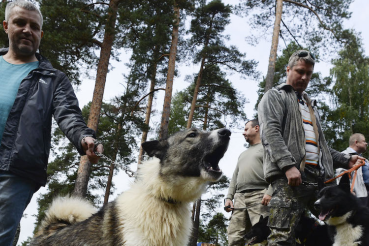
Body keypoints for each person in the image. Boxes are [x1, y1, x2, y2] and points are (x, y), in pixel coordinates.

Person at [0, 1, 103, 245]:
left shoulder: (53, 79)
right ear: (6, 26)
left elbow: (69, 114)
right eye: (20, 23)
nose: (27, 30)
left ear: (41, 34)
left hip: (14, 172)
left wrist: (84, 138)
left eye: (34, 26)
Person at [257, 50, 364, 245]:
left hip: (321, 179)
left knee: (346, 223)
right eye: (300, 71)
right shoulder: (274, 97)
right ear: (288, 69)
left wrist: (345, 159)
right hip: (289, 179)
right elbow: (270, 134)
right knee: (282, 237)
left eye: (309, 74)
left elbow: (320, 145)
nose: (304, 77)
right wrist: (288, 166)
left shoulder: (310, 105)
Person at [225, 119, 273, 246]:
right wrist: (229, 197)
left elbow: (277, 173)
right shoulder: (242, 154)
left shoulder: (267, 149)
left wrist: (270, 191)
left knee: (261, 237)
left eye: (246, 129)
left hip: (260, 196)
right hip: (239, 199)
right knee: (234, 236)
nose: (243, 133)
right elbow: (235, 177)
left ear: (256, 128)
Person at [336, 133, 369, 205]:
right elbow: (341, 175)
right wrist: (349, 192)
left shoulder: (364, 159)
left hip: (366, 194)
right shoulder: (344, 156)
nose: (366, 143)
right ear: (356, 142)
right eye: (364, 141)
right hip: (357, 196)